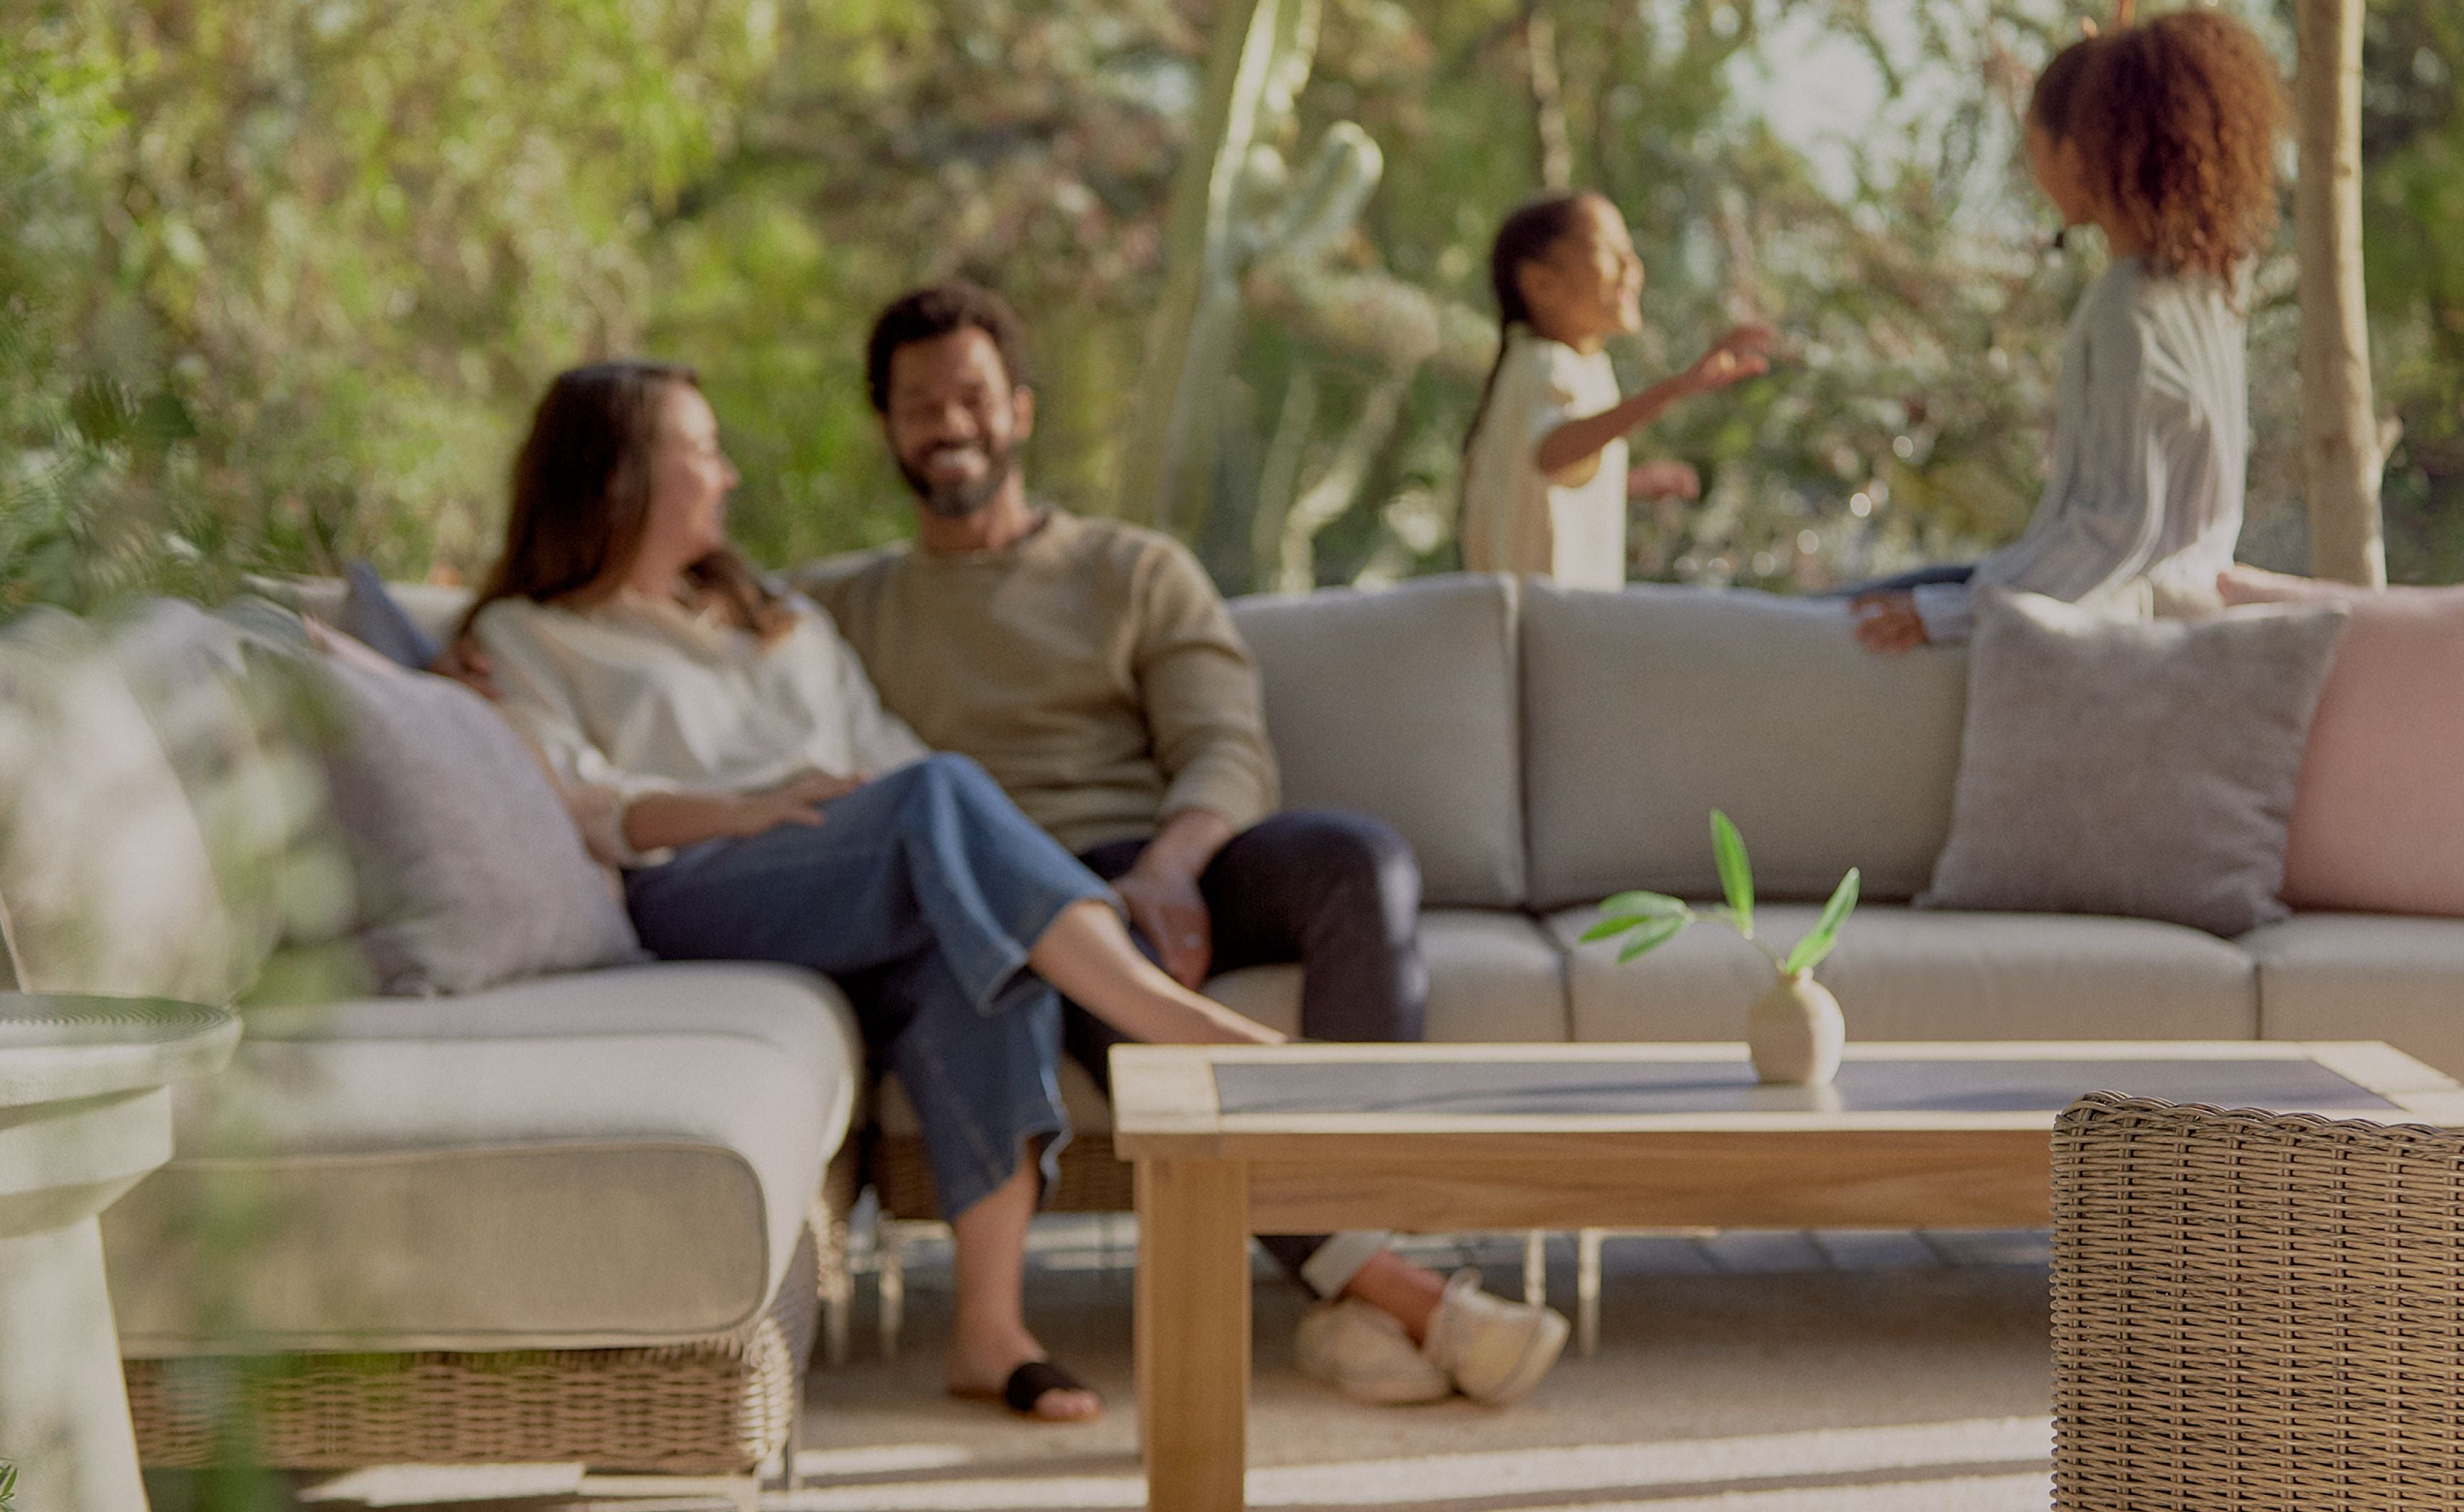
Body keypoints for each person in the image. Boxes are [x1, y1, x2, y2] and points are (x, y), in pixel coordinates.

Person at [459, 360, 1288, 1424]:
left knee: (969, 943)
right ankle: (1168, 1022)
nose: (727, 476)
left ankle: (991, 1331)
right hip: (694, 890)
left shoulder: (781, 618)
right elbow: (577, 805)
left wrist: (866, 810)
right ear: (620, 475)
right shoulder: (528, 638)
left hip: (856, 862)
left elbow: (889, 759)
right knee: (935, 802)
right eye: (703, 451)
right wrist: (746, 808)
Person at [795, 282, 1570, 1407]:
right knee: (1087, 948)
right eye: (919, 405)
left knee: (1359, 863)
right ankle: (1384, 1289)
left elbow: (1226, 746)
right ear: (889, 428)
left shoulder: (1133, 570)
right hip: (997, 898)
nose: (948, 423)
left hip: (1154, 856)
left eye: (971, 396)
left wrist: (1173, 863)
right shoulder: (840, 606)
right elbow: (666, 632)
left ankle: (1363, 1237)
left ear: (1020, 409)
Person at [1849, 11, 2282, 654]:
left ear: (2079, 155)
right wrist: (2114, 72)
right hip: (2165, 596)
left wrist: (1947, 617)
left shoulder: (2128, 308)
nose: (2031, 169)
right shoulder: (2213, 288)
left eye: (2035, 145)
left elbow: (2115, 532)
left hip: (2116, 616)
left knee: (1833, 618)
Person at [1458, 192, 1775, 585]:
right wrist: (1675, 388)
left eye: (1631, 249)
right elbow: (1553, 455)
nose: (1632, 265)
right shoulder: (1543, 363)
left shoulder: (1584, 366)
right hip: (1542, 627)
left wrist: (1631, 483)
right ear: (1541, 283)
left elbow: (1548, 478)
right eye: (1607, 250)